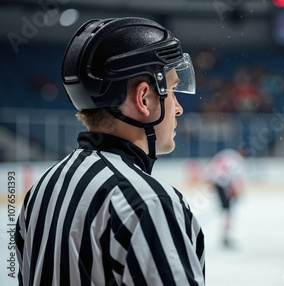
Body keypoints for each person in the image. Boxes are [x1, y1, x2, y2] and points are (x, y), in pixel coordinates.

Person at [15, 17, 205, 285]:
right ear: (144, 98)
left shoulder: (44, 188)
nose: (178, 108)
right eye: (173, 90)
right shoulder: (149, 203)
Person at [205, 148, 246, 247]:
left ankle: (225, 235)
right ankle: (225, 236)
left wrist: (210, 179)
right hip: (223, 184)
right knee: (227, 211)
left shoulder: (226, 153)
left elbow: (212, 167)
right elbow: (235, 176)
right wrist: (236, 190)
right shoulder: (236, 159)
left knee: (226, 211)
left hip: (218, 182)